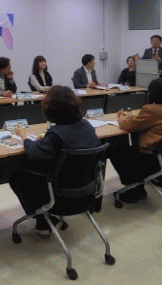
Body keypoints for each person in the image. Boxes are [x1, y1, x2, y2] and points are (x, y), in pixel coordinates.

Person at [10, 86, 100, 235]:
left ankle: (43, 220)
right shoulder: (87, 126)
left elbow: (34, 154)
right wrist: (46, 140)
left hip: (61, 197)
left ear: (51, 110)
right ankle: (43, 222)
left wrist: (24, 136)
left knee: (18, 177)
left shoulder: (56, 135)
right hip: (87, 192)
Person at [108, 78, 162, 202]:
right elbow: (143, 122)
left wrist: (121, 117)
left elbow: (129, 126)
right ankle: (137, 187)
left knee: (114, 150)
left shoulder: (153, 109)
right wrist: (131, 118)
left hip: (151, 161)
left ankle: (134, 187)